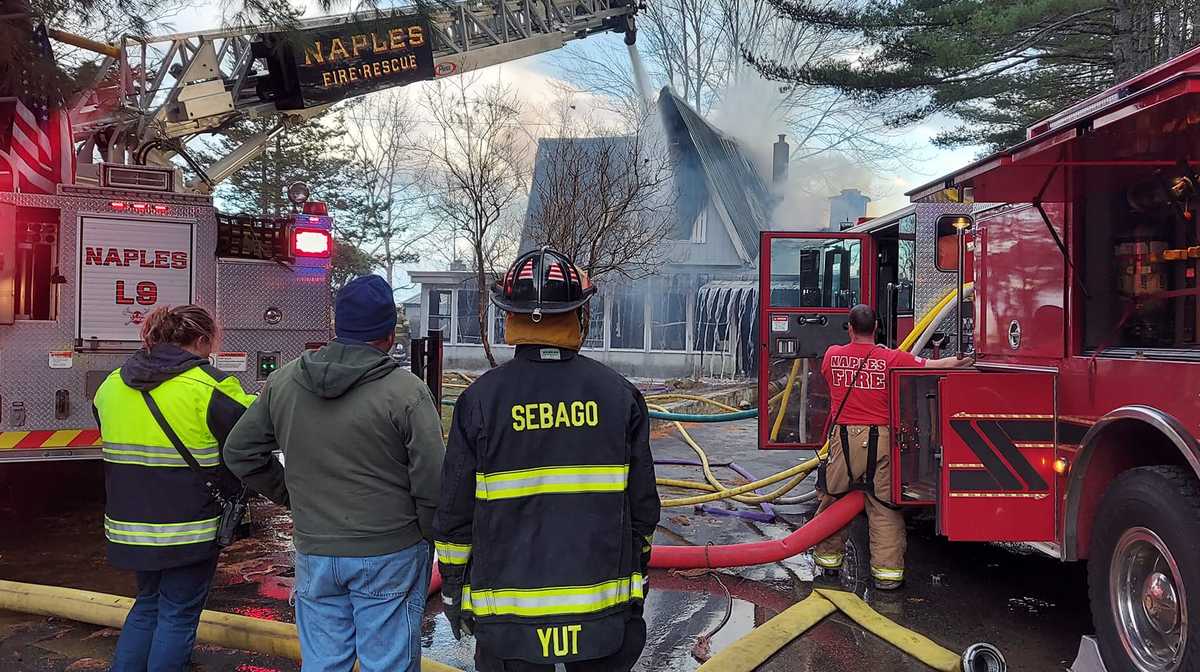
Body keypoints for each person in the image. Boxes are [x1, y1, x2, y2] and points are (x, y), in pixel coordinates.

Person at [435, 248, 661, 672]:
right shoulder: (620, 397)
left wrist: (453, 590)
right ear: (580, 315)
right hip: (603, 620)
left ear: (509, 318)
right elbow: (644, 507)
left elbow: (453, 514)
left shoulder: (480, 401)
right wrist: (637, 576)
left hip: (508, 626)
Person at [223, 274, 445, 672]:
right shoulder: (406, 391)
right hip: (390, 551)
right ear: (389, 333)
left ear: (336, 326)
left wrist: (292, 495)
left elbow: (240, 452)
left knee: (324, 663)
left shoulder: (285, 381)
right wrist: (431, 538)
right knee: (388, 664)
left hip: (316, 549)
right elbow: (432, 482)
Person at [93, 304, 255, 671]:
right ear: (200, 340)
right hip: (188, 528)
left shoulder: (112, 384)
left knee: (148, 603)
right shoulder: (210, 386)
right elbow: (251, 434)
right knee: (178, 614)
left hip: (130, 526)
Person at [813, 303, 972, 590]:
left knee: (832, 500)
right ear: (876, 328)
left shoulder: (832, 356)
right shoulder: (893, 358)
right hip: (883, 442)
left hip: (843, 441)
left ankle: (828, 565)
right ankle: (888, 577)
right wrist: (965, 360)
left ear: (849, 328)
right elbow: (933, 367)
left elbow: (827, 379)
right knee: (884, 507)